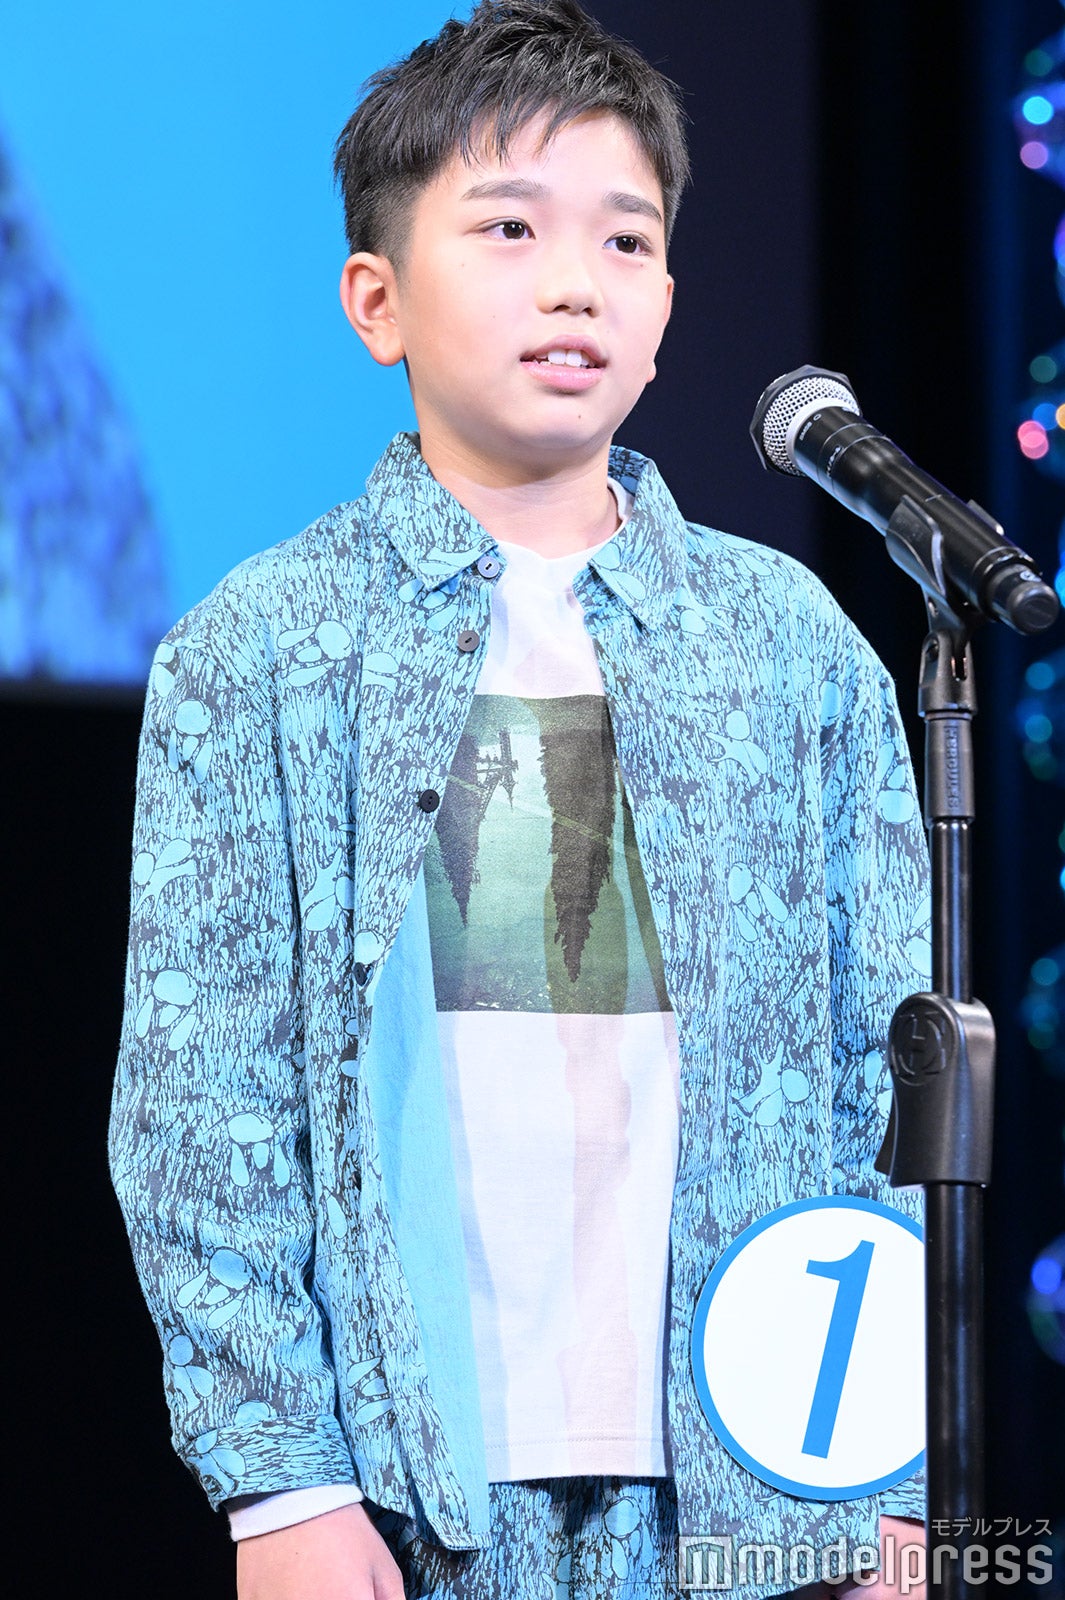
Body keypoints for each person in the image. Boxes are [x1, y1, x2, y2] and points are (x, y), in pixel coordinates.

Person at [109, 3, 931, 1596]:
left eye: (624, 241)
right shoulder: (263, 648)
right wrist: (280, 1485)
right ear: (377, 301)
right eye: (508, 229)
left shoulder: (783, 642)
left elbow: (878, 1071)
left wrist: (874, 1468)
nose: (574, 282)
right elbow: (203, 1102)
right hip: (416, 1484)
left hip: (748, 1479)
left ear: (667, 301)